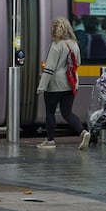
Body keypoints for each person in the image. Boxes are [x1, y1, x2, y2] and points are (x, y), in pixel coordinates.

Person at [36, 17, 90, 150]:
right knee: (67, 113)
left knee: (50, 112)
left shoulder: (56, 46)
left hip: (55, 85)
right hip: (71, 83)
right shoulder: (74, 44)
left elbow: (49, 68)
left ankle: (50, 141)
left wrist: (41, 86)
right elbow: (78, 63)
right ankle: (83, 132)